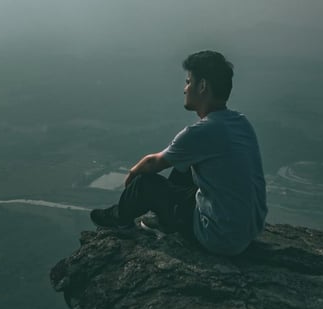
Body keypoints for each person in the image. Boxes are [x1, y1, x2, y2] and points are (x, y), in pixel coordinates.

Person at [90, 50, 267, 256]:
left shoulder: (200, 132)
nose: (185, 89)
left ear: (202, 86)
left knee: (145, 183)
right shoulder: (240, 122)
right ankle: (166, 217)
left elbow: (152, 164)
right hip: (246, 231)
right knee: (185, 167)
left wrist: (133, 173)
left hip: (217, 237)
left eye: (188, 81)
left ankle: (120, 219)